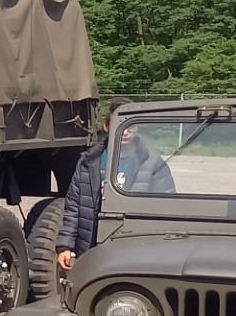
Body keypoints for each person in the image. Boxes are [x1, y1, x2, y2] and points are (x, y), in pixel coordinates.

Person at [57, 112, 175, 271]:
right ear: (107, 126)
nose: (125, 132)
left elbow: (166, 209)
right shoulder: (89, 161)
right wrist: (65, 246)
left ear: (137, 128)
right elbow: (73, 207)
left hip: (137, 250)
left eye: (130, 127)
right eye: (119, 126)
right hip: (92, 248)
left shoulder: (153, 163)